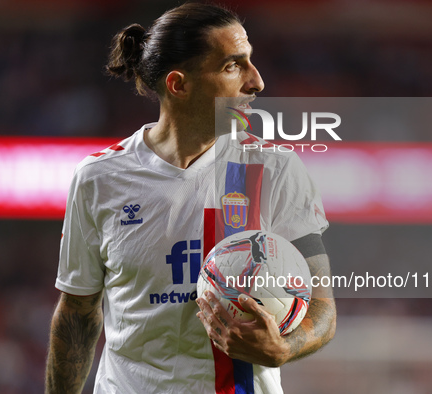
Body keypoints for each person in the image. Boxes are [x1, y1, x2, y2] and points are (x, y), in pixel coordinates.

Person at [45, 3, 336, 393]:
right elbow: (78, 312)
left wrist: (284, 346)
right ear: (178, 84)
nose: (257, 81)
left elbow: (322, 307)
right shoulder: (99, 178)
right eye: (233, 66)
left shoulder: (276, 169)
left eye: (250, 62)